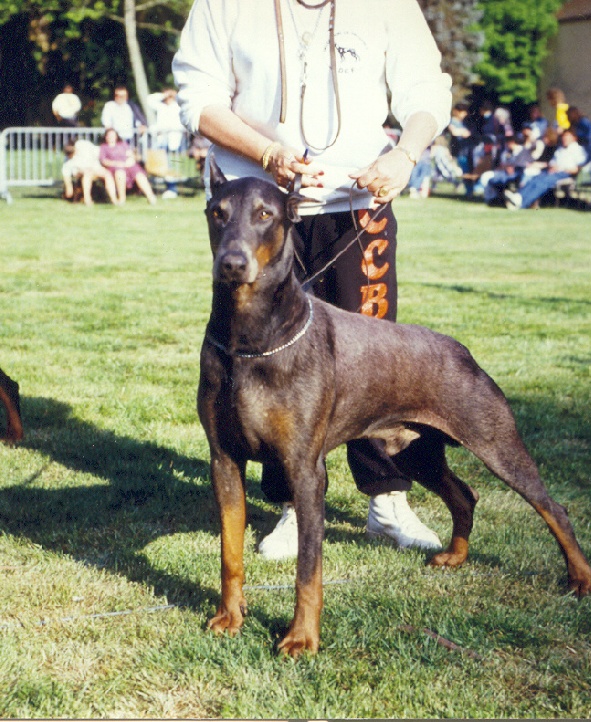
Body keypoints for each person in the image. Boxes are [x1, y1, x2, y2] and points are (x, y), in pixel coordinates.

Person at [173, 0, 452, 560]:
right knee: (266, 364)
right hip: (259, 205)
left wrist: (404, 154)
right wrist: (267, 151)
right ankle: (290, 507)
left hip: (357, 202)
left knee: (375, 357)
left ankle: (388, 497)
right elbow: (198, 99)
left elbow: (426, 91)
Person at [504, 127, 586, 210]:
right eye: (564, 136)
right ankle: (518, 196)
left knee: (542, 183)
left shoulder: (578, 150)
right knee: (535, 179)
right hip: (553, 172)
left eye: (568, 136)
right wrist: (552, 166)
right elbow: (552, 162)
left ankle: (522, 204)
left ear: (574, 138)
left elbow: (576, 169)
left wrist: (561, 168)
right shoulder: (560, 149)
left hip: (565, 174)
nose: (565, 138)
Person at [99, 127, 157, 204]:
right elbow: (104, 161)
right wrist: (117, 163)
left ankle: (150, 196)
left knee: (139, 174)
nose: (111, 137)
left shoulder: (123, 144)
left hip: (128, 165)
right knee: (120, 173)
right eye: (109, 135)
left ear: (116, 136)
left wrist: (131, 159)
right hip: (114, 167)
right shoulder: (104, 147)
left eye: (113, 135)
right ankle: (122, 198)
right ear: (106, 137)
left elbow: (130, 154)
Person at [62, 138, 119, 206]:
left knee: (107, 174)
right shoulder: (68, 162)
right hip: (82, 172)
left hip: (94, 168)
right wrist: (69, 189)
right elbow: (67, 176)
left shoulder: (83, 146)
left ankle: (113, 199)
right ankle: (87, 200)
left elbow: (97, 152)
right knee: (87, 174)